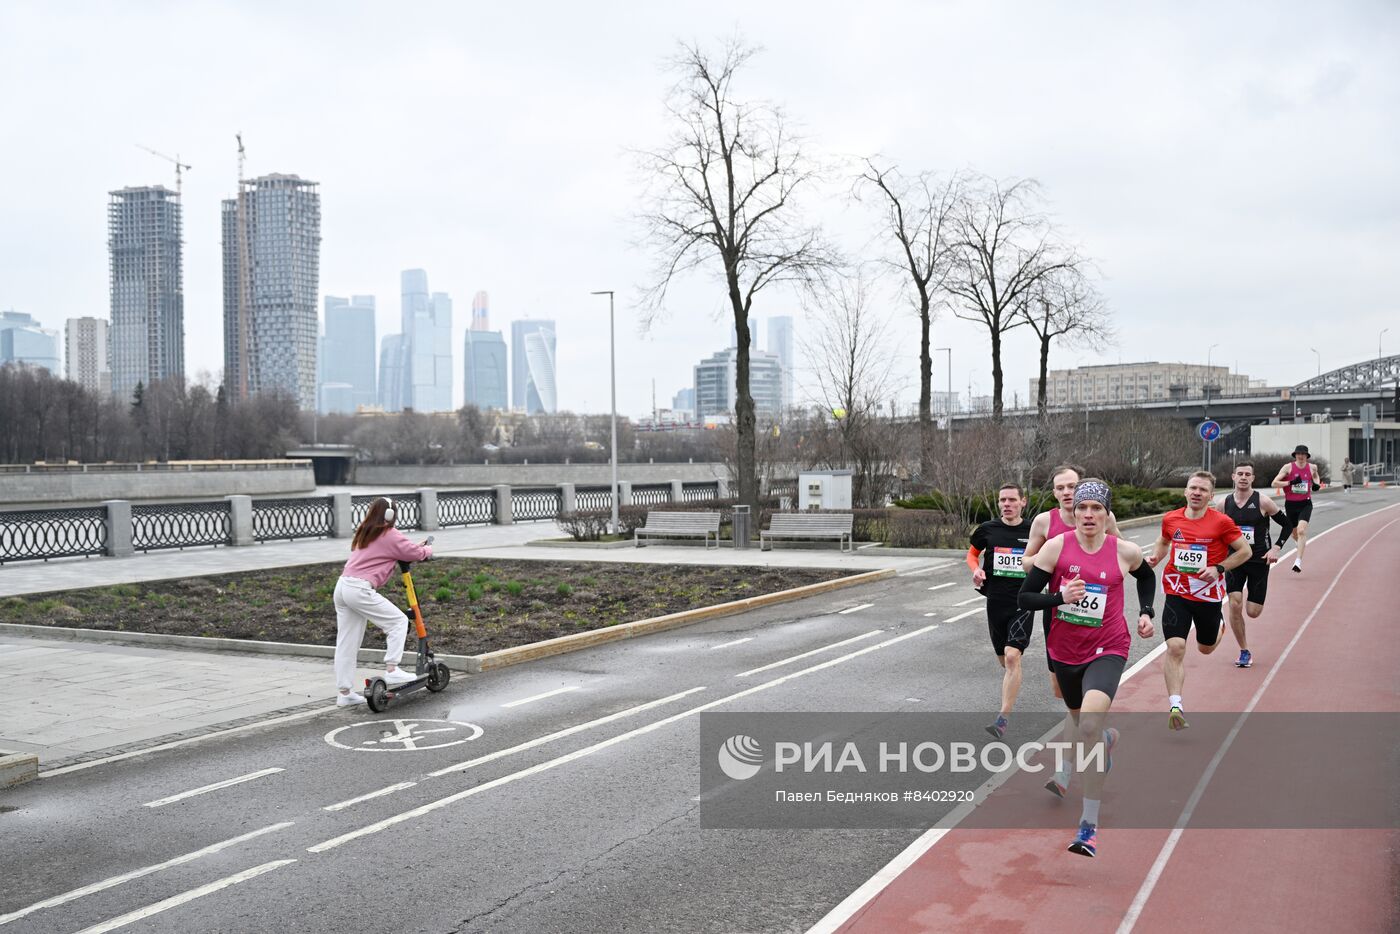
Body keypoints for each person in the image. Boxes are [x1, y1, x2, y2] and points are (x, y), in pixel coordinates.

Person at [1019, 479, 1158, 857]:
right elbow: (1026, 597)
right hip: (1064, 651)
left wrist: (1146, 612)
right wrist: (1059, 597)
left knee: (1091, 726)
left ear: (1107, 514)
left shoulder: (1123, 551)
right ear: (1074, 512)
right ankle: (1106, 742)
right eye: (1083, 508)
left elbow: (1147, 577)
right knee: (1081, 723)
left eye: (1097, 509)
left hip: (1108, 647)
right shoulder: (1056, 548)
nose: (1089, 515)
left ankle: (1088, 826)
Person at [1147, 471, 1252, 729]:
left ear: (1211, 496)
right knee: (1175, 648)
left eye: (1202, 490)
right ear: (1185, 491)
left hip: (1207, 595)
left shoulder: (1222, 522)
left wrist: (1218, 568)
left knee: (1205, 648)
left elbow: (1245, 551)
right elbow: (1163, 541)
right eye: (1192, 488)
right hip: (1176, 591)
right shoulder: (1171, 518)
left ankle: (1219, 628)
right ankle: (1175, 705)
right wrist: (1155, 557)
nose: (1196, 493)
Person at [332, 497, 433, 707]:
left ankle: (345, 693)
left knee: (346, 643)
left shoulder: (366, 530)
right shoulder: (389, 533)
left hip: (343, 587)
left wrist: (411, 548)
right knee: (398, 622)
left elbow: (397, 549)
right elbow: (413, 553)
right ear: (390, 515)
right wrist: (427, 550)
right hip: (359, 589)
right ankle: (392, 669)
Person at [967, 483, 1035, 739]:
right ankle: (1013, 675)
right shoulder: (988, 530)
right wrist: (976, 570)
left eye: (1011, 500)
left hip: (1024, 600)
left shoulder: (1033, 530)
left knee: (1012, 657)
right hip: (995, 600)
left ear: (1023, 502)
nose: (1006, 504)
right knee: (1003, 659)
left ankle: (1002, 719)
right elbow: (972, 554)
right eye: (1002, 500)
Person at [1214, 462, 1293, 668]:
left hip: (1259, 561)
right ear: (1233, 477)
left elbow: (1287, 525)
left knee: (1253, 612)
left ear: (1252, 478)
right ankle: (1244, 651)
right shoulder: (1224, 504)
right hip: (1235, 560)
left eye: (1247, 474)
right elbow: (1215, 532)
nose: (1243, 477)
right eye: (1239, 474)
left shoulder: (1263, 501)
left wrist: (1276, 548)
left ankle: (1235, 622)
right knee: (1234, 603)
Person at [1271, 444, 1322, 573]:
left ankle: (1298, 562)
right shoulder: (1288, 467)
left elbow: (1315, 476)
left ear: (1307, 456)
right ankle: (1300, 543)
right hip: (1290, 504)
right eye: (1298, 454)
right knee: (1294, 534)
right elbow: (1274, 483)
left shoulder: (1312, 467)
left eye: (1303, 454)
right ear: (1295, 455)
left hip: (1305, 503)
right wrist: (1291, 482)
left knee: (1301, 531)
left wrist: (1316, 484)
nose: (1300, 456)